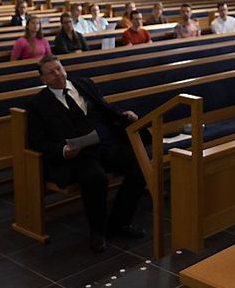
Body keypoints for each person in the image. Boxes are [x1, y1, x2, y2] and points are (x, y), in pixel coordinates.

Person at [24, 54, 146, 252]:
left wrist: (123, 114)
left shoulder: (84, 84)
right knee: (95, 178)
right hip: (78, 154)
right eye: (51, 73)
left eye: (59, 69)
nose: (57, 74)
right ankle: (97, 232)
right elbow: (37, 141)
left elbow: (104, 107)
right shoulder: (38, 104)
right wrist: (62, 150)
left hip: (104, 143)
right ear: (43, 80)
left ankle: (119, 222)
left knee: (139, 165)